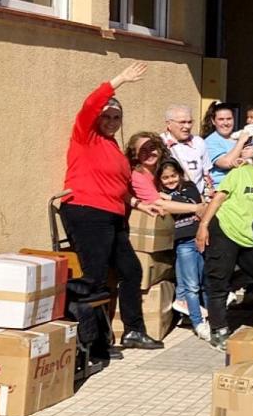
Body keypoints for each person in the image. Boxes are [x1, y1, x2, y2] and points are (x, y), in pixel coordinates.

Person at [61, 62, 164, 351]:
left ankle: (133, 331)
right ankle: (88, 342)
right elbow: (90, 105)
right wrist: (120, 80)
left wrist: (139, 204)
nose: (111, 121)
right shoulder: (86, 137)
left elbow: (117, 186)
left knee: (130, 271)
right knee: (93, 277)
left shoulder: (113, 149)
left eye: (116, 117)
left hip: (113, 216)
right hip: (87, 211)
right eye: (106, 116)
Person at [196, 136, 253, 349]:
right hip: (226, 229)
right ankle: (218, 329)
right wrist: (204, 225)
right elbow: (218, 198)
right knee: (218, 280)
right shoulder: (241, 172)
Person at [155, 158, 209, 341]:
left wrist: (171, 199)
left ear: (179, 174)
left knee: (203, 282)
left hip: (201, 238)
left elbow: (196, 203)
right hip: (183, 242)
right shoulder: (158, 194)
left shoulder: (189, 186)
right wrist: (179, 205)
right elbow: (164, 208)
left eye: (173, 176)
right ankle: (198, 322)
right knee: (192, 286)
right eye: (165, 178)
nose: (170, 180)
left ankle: (207, 317)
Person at [162, 104, 213, 195]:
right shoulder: (160, 143)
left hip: (196, 199)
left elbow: (206, 174)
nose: (187, 126)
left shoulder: (199, 142)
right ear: (169, 124)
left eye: (190, 122)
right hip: (170, 201)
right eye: (182, 122)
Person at [202, 103, 252, 187]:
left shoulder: (239, 135)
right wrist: (240, 142)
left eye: (229, 119)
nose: (226, 123)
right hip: (222, 189)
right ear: (213, 121)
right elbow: (226, 163)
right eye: (221, 119)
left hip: (244, 186)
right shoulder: (210, 141)